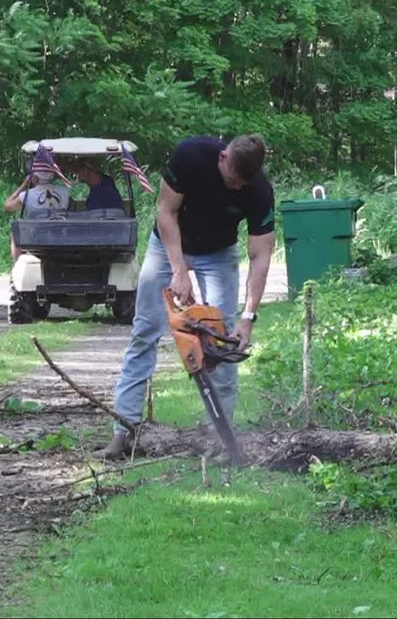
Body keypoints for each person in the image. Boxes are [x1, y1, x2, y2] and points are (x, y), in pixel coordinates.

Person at [96, 134, 276, 460]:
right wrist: (178, 269)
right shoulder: (190, 155)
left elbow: (261, 256)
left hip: (218, 253)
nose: (235, 188)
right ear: (223, 158)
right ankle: (123, 431)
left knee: (221, 340)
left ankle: (221, 436)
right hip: (167, 245)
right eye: (232, 180)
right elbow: (165, 210)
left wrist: (249, 316)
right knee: (145, 332)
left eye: (241, 185)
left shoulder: (259, 191)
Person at [3, 170, 69, 260]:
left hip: (36, 237)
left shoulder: (27, 195)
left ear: (34, 178)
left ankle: (17, 262)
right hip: (59, 235)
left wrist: (24, 185)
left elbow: (7, 207)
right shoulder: (64, 191)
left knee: (15, 233)